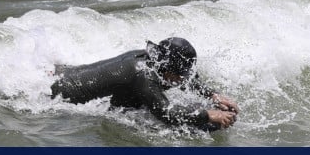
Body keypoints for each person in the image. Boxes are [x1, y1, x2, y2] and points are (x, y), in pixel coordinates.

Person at [50, 37, 239, 130]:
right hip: (56, 92)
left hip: (62, 73)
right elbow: (167, 114)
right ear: (166, 67)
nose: (183, 79)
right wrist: (207, 114)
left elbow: (186, 81)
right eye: (180, 75)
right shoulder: (143, 74)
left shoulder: (154, 60)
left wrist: (213, 95)